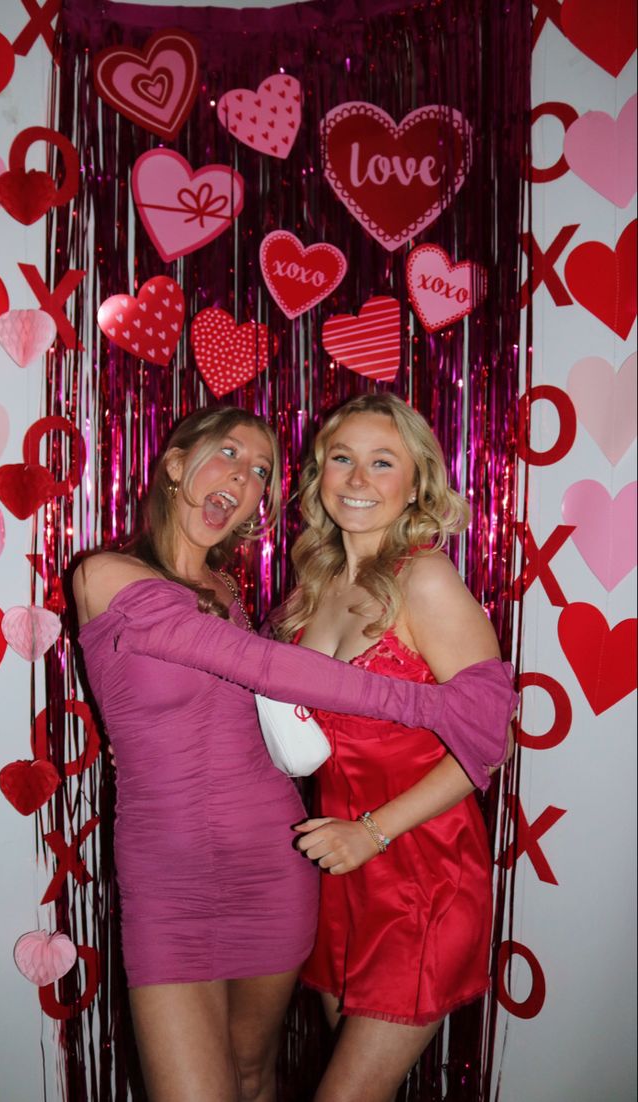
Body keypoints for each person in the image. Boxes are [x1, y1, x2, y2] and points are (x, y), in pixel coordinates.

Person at [72, 405, 517, 1102]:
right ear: (174, 464)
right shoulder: (118, 576)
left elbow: (482, 740)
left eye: (258, 471)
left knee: (258, 1080)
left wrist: (379, 819)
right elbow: (263, 677)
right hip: (204, 875)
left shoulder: (245, 596)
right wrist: (429, 706)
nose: (242, 476)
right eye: (226, 454)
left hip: (335, 864)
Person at [273, 392, 512, 1102]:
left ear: (417, 484)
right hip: (340, 874)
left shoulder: (425, 579)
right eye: (341, 460)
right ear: (319, 475)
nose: (356, 479)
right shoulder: (310, 592)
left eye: (382, 463)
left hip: (422, 872)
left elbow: (485, 742)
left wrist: (372, 834)